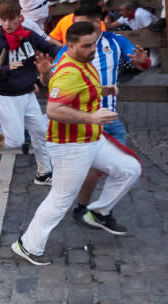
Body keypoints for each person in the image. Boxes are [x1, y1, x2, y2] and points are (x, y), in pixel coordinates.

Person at [11, 22, 141, 266]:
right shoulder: (70, 71)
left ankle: (99, 212)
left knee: (129, 169)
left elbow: (70, 90)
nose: (94, 49)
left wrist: (104, 90)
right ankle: (27, 245)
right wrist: (93, 117)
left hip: (92, 139)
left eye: (95, 43)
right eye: (87, 45)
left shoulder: (83, 61)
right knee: (60, 199)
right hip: (71, 146)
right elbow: (53, 109)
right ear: (70, 45)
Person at [54, 4, 150, 224]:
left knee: (125, 167)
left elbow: (139, 62)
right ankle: (84, 209)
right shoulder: (70, 48)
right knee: (94, 171)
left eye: (80, 23)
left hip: (110, 119)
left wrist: (141, 61)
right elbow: (53, 81)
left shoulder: (115, 42)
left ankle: (97, 210)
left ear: (97, 23)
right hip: (85, 122)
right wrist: (43, 76)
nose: (75, 27)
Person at [0, 0, 59, 186]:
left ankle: (43, 173)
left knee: (41, 132)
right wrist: (7, 69)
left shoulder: (29, 35)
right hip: (6, 96)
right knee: (15, 140)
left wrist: (69, 55)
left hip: (27, 93)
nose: (7, 23)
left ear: (19, 17)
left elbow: (50, 47)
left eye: (11, 19)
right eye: (3, 19)